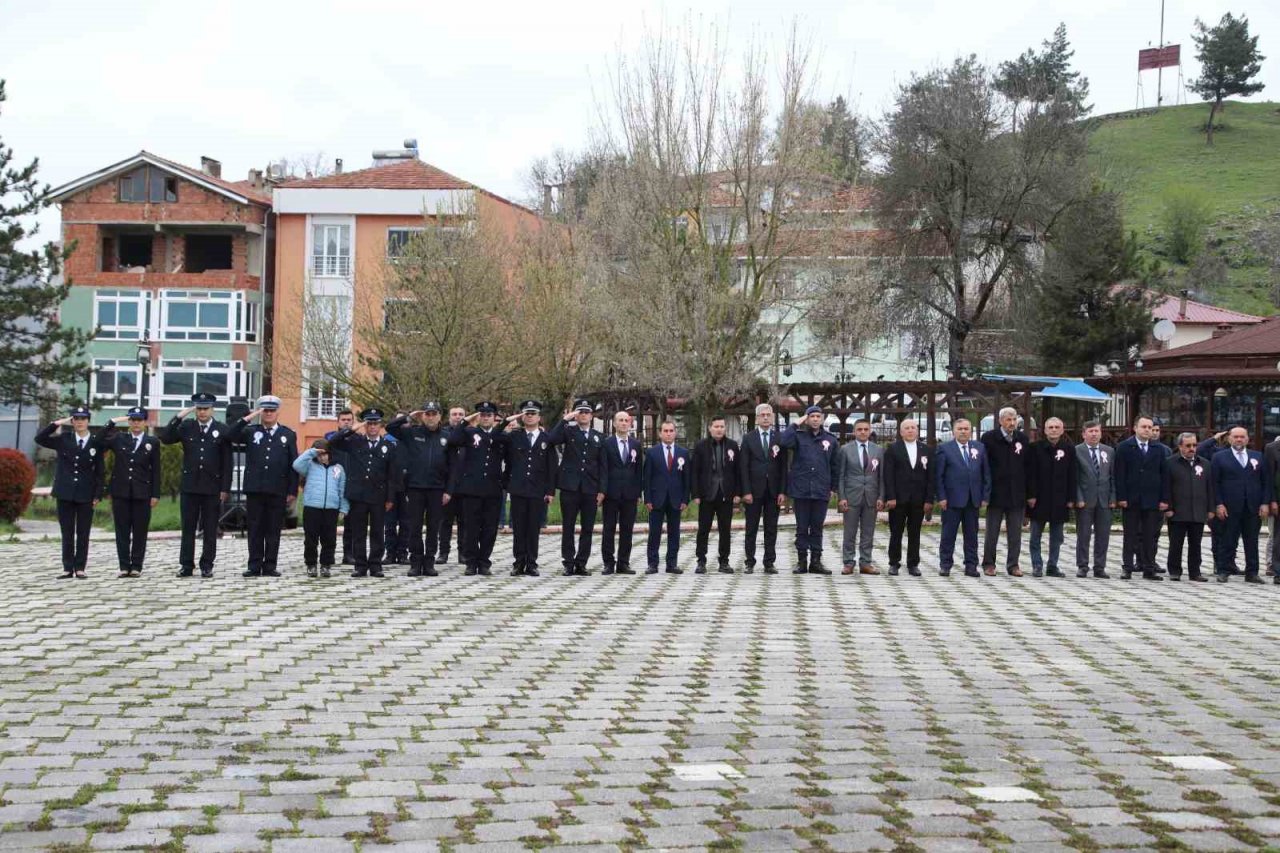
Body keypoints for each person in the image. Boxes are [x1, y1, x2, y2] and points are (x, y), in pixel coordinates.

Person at [222, 395, 298, 578]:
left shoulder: (288, 434)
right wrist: (247, 418)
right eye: (265, 411)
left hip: (277, 489)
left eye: (272, 411)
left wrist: (292, 490)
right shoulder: (250, 431)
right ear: (260, 412)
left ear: (278, 412)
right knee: (255, 528)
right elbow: (229, 435)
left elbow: (292, 464)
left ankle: (270, 565)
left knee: (273, 529)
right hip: (255, 488)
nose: (269, 414)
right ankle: (254, 565)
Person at [160, 393, 230, 578]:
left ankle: (207, 564)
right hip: (190, 486)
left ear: (212, 409)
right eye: (199, 408)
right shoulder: (187, 427)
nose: (202, 412)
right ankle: (186, 565)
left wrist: (225, 488)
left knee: (209, 528)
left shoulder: (221, 430)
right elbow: (165, 438)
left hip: (212, 487)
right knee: (188, 528)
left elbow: (227, 462)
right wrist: (178, 417)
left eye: (205, 408)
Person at [329, 408, 399, 578]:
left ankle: (375, 565)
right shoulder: (355, 441)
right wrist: (352, 428)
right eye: (369, 423)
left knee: (377, 531)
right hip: (358, 494)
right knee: (358, 531)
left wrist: (390, 497)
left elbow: (392, 475)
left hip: (378, 495)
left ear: (380, 425)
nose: (372, 427)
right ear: (365, 425)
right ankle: (360, 565)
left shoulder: (388, 446)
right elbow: (333, 441)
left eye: (375, 423)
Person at [35, 406, 104, 579]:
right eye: (76, 419)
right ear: (72, 421)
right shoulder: (64, 439)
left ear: (88, 420)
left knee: (83, 532)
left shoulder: (95, 442)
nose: (80, 422)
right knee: (67, 531)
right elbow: (40, 438)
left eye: (83, 418)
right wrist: (57, 423)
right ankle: (67, 568)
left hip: (85, 493)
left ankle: (80, 567)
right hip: (65, 492)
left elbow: (100, 472)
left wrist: (97, 494)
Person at [386, 403, 452, 577]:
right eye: (427, 414)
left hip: (437, 489)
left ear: (440, 416)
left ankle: (429, 562)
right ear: (423, 416)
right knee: (414, 527)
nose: (430, 417)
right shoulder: (411, 432)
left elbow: (453, 466)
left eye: (434, 414)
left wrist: (449, 490)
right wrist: (409, 415)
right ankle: (415, 562)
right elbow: (390, 427)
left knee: (433, 528)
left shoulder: (447, 436)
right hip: (415, 488)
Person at [447, 402, 511, 577]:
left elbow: (511, 459)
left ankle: (484, 562)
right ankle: (471, 562)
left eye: (489, 415)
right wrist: (466, 420)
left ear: (494, 418)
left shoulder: (501, 436)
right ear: (478, 417)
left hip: (493, 488)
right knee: (471, 528)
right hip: (471, 489)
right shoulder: (469, 433)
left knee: (490, 528)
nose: (485, 418)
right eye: (482, 415)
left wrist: (504, 480)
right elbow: (452, 440)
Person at [98, 407, 162, 578]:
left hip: (143, 492)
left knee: (140, 531)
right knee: (122, 530)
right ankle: (124, 566)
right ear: (128, 422)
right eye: (133, 420)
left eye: (139, 420)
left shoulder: (152, 442)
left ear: (145, 422)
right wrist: (111, 422)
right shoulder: (119, 439)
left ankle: (136, 566)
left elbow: (156, 470)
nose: (136, 424)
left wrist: (155, 494)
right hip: (121, 491)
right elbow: (98, 440)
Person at [777, 405, 840, 575]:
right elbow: (783, 441)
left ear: (823, 419)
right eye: (811, 416)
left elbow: (835, 466)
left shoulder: (831, 440)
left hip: (821, 490)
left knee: (817, 527)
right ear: (807, 418)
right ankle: (802, 561)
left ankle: (816, 562)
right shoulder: (798, 437)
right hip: (802, 489)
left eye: (818, 416)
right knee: (802, 528)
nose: (815, 419)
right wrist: (796, 423)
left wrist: (833, 487)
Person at [547, 398, 607, 576]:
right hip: (570, 487)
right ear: (575, 414)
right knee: (568, 527)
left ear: (591, 415)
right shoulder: (568, 431)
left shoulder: (599, 436)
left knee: (587, 528)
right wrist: (565, 419)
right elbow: (551, 439)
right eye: (580, 412)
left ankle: (581, 563)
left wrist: (602, 490)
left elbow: (602, 465)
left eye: (587, 412)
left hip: (590, 487)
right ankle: (568, 562)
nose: (584, 415)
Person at [1114, 415, 1170, 581]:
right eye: (1144, 427)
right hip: (1131, 499)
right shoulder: (1124, 447)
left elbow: (1164, 475)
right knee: (1130, 535)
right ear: (1135, 428)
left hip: (1152, 499)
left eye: (1150, 427)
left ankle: (1149, 568)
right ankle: (1127, 567)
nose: (1148, 430)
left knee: (1150, 535)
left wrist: (1164, 499)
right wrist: (1121, 497)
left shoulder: (1159, 449)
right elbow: (1119, 474)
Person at [1211, 425, 1269, 584]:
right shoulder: (1219, 457)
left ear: (1247, 439)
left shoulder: (1258, 456)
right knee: (1227, 539)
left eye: (1242, 436)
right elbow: (1214, 483)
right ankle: (1223, 570)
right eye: (1235, 436)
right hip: (1229, 507)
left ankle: (1252, 573)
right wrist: (1219, 504)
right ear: (1229, 438)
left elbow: (1265, 482)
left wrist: (1265, 503)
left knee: (1252, 541)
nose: (1238, 439)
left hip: (1252, 506)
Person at [504, 401, 556, 576]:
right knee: (518, 528)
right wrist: (507, 422)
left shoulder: (546, 439)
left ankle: (532, 563)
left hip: (537, 490)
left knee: (533, 528)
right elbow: (500, 443)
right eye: (527, 413)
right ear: (522, 416)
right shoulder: (514, 437)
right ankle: (519, 562)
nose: (530, 416)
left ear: (539, 417)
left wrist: (550, 491)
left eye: (533, 413)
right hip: (519, 488)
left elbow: (551, 466)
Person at [934, 418, 990, 577]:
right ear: (953, 431)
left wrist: (985, 495)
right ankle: (945, 564)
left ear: (970, 431)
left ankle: (971, 565)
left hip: (973, 500)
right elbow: (939, 476)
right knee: (948, 534)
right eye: (960, 429)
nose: (963, 431)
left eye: (966, 428)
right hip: (951, 500)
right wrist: (941, 497)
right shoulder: (944, 449)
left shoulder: (979, 447)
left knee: (972, 535)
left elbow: (986, 473)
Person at [980, 407, 1029, 577]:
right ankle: (989, 564)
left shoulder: (1022, 439)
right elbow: (983, 466)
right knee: (992, 532)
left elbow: (1026, 467)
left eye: (1014, 419)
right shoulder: (989, 438)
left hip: (1016, 494)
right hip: (996, 493)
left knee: (1015, 532)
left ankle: (1013, 564)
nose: (1012, 423)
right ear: (1000, 421)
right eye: (1008, 419)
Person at [882, 419, 934, 577]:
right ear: (901, 432)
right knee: (896, 532)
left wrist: (929, 499)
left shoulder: (927, 450)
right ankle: (894, 563)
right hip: (898, 499)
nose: (910, 430)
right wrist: (890, 497)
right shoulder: (893, 449)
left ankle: (913, 563)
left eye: (913, 427)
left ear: (917, 431)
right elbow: (888, 475)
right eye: (907, 428)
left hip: (918, 499)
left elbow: (931, 477)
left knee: (915, 532)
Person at [738, 403, 786, 575]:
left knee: (771, 528)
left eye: (768, 414)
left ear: (772, 417)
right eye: (762, 415)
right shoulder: (748, 438)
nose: (766, 417)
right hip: (754, 491)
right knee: (751, 528)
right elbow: (743, 466)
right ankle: (749, 562)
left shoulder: (779, 438)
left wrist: (782, 491)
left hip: (773, 491)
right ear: (757, 418)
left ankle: (769, 562)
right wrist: (746, 491)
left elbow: (783, 467)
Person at [1026, 417, 1076, 579]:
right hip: (1039, 499)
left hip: (1060, 499)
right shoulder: (1035, 448)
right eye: (1050, 427)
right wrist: (1031, 495)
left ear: (1062, 430)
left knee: (1057, 537)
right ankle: (1037, 565)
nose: (1053, 430)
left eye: (1057, 427)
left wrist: (1071, 498)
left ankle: (1052, 565)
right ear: (1045, 430)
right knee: (1035, 535)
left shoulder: (1069, 449)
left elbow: (1072, 475)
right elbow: (1030, 474)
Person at [691, 415, 741, 574]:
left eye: (722, 426)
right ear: (710, 428)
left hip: (726, 494)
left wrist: (738, 493)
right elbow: (695, 472)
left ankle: (724, 561)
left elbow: (737, 471)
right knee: (703, 529)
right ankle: (701, 561)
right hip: (707, 494)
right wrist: (696, 494)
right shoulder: (701, 446)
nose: (719, 429)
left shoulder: (732, 445)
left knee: (725, 529)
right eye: (716, 426)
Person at [292, 439, 348, 578]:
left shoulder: (338, 468)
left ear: (330, 453)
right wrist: (311, 452)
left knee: (329, 539)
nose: (322, 457)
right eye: (320, 454)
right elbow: (296, 464)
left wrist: (343, 508)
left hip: (331, 508)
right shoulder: (309, 466)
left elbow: (343, 490)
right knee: (311, 538)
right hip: (312, 507)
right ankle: (311, 564)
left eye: (325, 454)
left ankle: (326, 565)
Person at [1161, 432, 1214, 582]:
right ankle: (1175, 571)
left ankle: (1195, 572)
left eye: (1194, 445)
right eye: (1188, 446)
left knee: (1196, 544)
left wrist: (1211, 509)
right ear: (1180, 447)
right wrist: (1168, 508)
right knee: (1176, 544)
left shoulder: (1205, 464)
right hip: (1177, 511)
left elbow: (1210, 488)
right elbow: (1166, 487)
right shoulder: (1170, 463)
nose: (1192, 448)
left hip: (1198, 511)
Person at [836, 418, 884, 576]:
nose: (863, 432)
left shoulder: (878, 450)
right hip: (851, 496)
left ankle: (865, 562)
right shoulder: (845, 450)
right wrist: (842, 497)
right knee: (849, 532)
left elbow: (881, 476)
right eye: (859, 429)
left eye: (865, 429)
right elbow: (841, 475)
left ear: (870, 431)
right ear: (854, 432)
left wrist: (881, 497)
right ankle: (848, 562)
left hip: (871, 495)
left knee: (868, 532)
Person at [644, 420, 690, 574]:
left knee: (674, 533)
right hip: (657, 498)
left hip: (675, 499)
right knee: (654, 532)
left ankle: (672, 563)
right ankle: (652, 563)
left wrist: (685, 499)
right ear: (660, 433)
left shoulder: (683, 453)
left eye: (671, 430)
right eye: (665, 431)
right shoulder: (651, 452)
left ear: (675, 432)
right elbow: (647, 478)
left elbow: (686, 479)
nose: (668, 433)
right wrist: (648, 499)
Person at [601, 409, 643, 576]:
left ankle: (623, 563)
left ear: (630, 423)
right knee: (608, 529)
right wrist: (602, 491)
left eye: (626, 420)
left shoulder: (636, 445)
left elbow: (638, 470)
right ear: (614, 423)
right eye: (620, 420)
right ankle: (608, 563)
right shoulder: (607, 443)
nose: (624, 423)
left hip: (630, 495)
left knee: (627, 530)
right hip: (611, 494)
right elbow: (603, 469)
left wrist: (639, 493)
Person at [1074, 420, 1115, 579]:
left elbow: (1112, 477)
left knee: (1103, 535)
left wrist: (1113, 497)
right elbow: (1075, 478)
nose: (1094, 434)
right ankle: (1082, 565)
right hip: (1085, 500)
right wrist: (1079, 497)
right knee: (1083, 534)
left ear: (1101, 433)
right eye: (1090, 431)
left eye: (1096, 431)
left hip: (1104, 500)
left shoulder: (1109, 451)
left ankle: (1100, 566)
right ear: (1084, 434)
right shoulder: (1077, 451)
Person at [1197, 430, 1236, 574]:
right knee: (1218, 535)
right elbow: (1200, 449)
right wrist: (1214, 438)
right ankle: (1218, 563)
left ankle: (1230, 563)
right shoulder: (1216, 452)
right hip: (1217, 499)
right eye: (1232, 436)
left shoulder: (1242, 454)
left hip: (1234, 501)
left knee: (1232, 536)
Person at [325, 408, 356, 565]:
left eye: (349, 420)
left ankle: (348, 554)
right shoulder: (330, 437)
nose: (346, 422)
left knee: (351, 524)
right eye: (343, 419)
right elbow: (327, 448)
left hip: (352, 484)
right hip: (333, 485)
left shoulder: (358, 438)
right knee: (330, 522)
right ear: (337, 422)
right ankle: (328, 554)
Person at [436, 405, 467, 564]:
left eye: (461, 414)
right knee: (445, 522)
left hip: (465, 485)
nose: (457, 416)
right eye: (454, 414)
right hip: (447, 485)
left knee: (464, 522)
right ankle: (443, 553)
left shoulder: (470, 434)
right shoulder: (443, 434)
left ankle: (463, 552)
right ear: (449, 417)